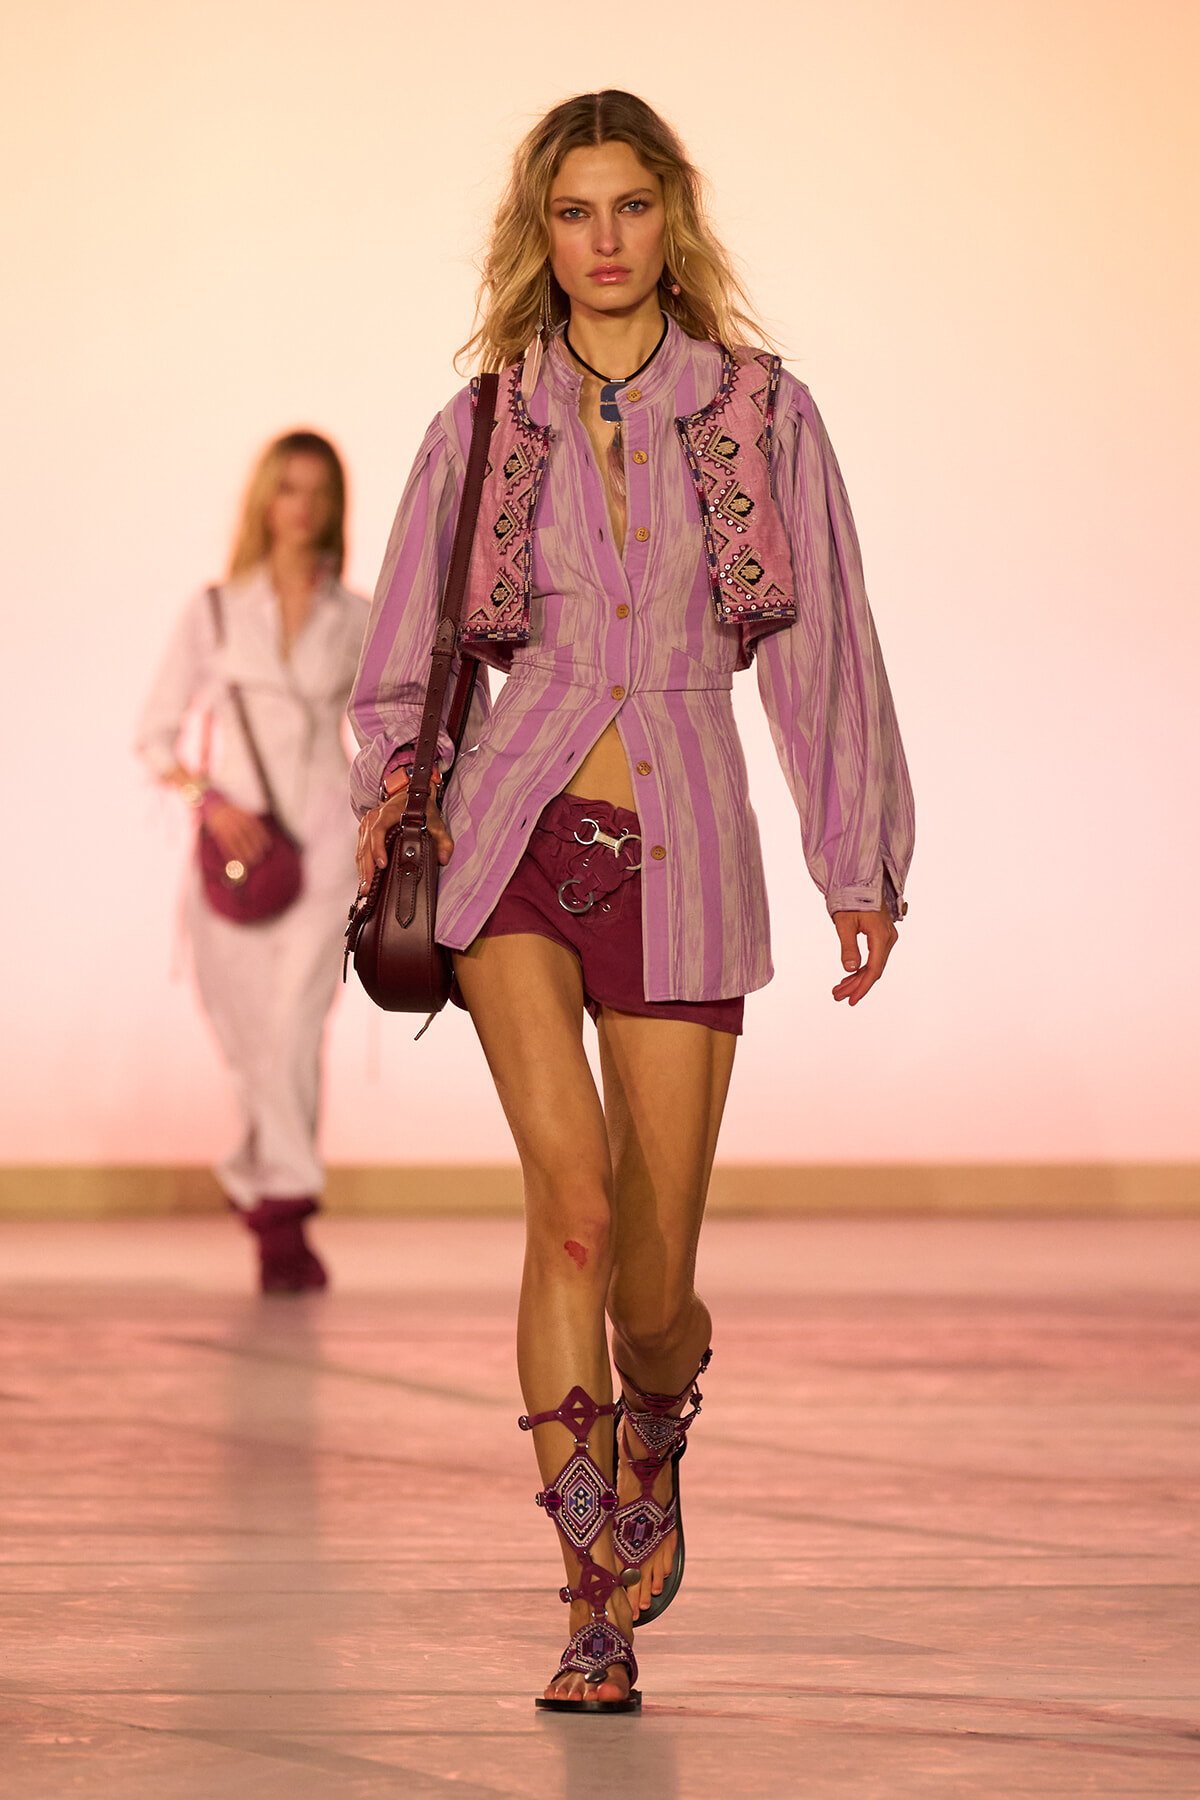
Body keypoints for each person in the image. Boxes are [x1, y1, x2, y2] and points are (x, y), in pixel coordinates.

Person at [350, 91, 914, 1712]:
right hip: (514, 838)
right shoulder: (484, 425)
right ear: (541, 232)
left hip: (685, 845)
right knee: (574, 1210)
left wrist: (856, 858)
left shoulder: (756, 415)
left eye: (630, 208)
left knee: (655, 1286)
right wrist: (398, 793)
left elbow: (820, 648)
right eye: (574, 211)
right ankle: (590, 1594)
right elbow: (405, 664)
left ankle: (659, 1418)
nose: (603, 241)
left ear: (675, 218)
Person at [138, 430, 369, 1293]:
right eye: (287, 488)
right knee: (244, 1039)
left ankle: (284, 1215)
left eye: (317, 490)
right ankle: (259, 1178)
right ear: (264, 499)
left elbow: (378, 730)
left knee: (295, 1030)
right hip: (237, 857)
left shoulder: (359, 616)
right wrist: (212, 802)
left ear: (334, 505)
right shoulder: (214, 613)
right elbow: (154, 736)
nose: (301, 506)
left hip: (328, 843)